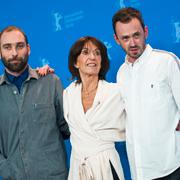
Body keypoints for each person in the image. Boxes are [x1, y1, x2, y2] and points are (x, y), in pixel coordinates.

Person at [112, 7, 180, 180]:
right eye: (125, 38)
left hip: (172, 167)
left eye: (136, 35)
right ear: (116, 40)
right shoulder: (121, 74)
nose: (132, 43)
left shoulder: (166, 61)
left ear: (146, 32)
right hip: (139, 172)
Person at [0, 26, 70, 180]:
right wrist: (7, 171)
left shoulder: (51, 83)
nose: (14, 53)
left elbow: (69, 128)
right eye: (7, 47)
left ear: (28, 49)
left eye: (20, 46)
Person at [63, 36, 126, 180]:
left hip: (107, 166)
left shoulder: (115, 92)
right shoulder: (68, 94)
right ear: (75, 62)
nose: (93, 57)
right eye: (85, 52)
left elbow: (141, 114)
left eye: (98, 53)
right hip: (78, 168)